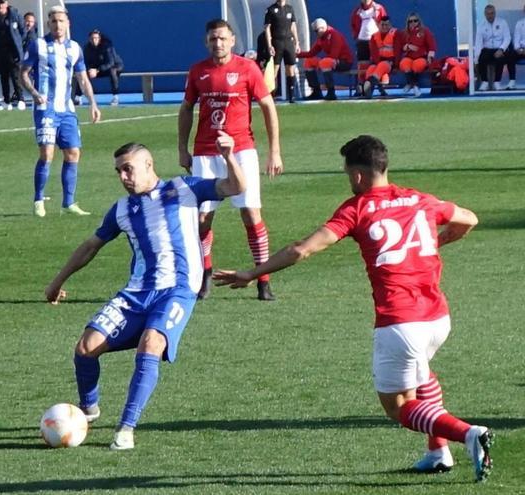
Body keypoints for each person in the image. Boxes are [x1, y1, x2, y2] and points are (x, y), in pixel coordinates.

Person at [214, 135, 494, 482]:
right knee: (423, 377)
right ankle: (438, 453)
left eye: (348, 174)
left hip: (400, 322)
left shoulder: (355, 208)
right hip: (437, 317)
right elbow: (468, 218)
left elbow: (302, 249)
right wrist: (436, 242)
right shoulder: (420, 199)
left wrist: (253, 273)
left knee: (399, 406)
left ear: (358, 176)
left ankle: (469, 433)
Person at [46, 138, 246, 450]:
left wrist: (229, 155)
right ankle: (88, 411)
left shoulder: (186, 188)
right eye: (118, 172)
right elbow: (90, 246)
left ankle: (126, 428)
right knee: (85, 348)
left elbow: (236, 186)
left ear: (148, 165)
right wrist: (57, 281)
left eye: (128, 169)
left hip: (177, 291)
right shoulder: (122, 209)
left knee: (151, 344)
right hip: (135, 294)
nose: (123, 177)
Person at [178, 18, 283, 300]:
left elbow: (267, 107)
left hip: (241, 150)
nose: (218, 43)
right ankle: (205, 276)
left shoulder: (248, 68)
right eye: (213, 39)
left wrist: (274, 151)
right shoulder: (198, 71)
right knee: (202, 218)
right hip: (205, 152)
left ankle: (263, 279)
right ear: (206, 41)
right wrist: (182, 148)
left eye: (223, 38)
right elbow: (186, 109)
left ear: (232, 40)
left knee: (250, 213)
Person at [20, 6, 101, 217]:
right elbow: (24, 74)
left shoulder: (75, 48)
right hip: (46, 109)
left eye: (61, 21)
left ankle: (68, 203)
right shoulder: (38, 45)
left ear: (68, 23)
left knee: (73, 153)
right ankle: (39, 199)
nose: (58, 25)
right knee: (47, 153)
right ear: (48, 24)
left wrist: (93, 103)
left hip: (67, 110)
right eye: (54, 21)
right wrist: (35, 93)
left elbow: (82, 78)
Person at [298, 18, 354, 101]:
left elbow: (334, 55)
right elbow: (311, 53)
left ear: (322, 28)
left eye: (317, 31)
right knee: (309, 61)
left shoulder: (334, 35)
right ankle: (316, 91)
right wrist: (296, 54)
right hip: (331, 61)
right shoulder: (321, 38)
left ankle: (331, 92)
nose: (316, 33)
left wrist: (321, 63)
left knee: (325, 62)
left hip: (345, 62)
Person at [0, 0, 26, 110]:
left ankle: (20, 99)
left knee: (15, 76)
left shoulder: (15, 15)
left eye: (2, 2)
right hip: (0, 50)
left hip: (13, 51)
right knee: (3, 76)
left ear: (6, 3)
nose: (0, 5)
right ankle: (6, 101)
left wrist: (18, 43)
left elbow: (23, 31)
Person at [264, 0, 301, 103]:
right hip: (277, 42)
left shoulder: (290, 9)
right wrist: (270, 45)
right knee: (275, 68)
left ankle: (291, 96)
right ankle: (270, 95)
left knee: (290, 68)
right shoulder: (271, 10)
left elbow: (293, 26)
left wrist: (297, 42)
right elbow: (267, 28)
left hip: (288, 42)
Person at [75, 29, 124, 106]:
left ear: (99, 39)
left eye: (96, 38)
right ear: (89, 39)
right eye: (92, 38)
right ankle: (77, 98)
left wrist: (97, 70)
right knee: (83, 73)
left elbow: (110, 63)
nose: (94, 40)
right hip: (98, 69)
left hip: (115, 66)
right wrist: (90, 70)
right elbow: (85, 63)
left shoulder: (107, 46)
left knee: (112, 71)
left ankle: (115, 97)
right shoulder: (87, 48)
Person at [351, 0, 387, 91]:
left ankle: (381, 87)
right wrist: (356, 35)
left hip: (375, 40)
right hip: (362, 41)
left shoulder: (379, 8)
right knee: (363, 65)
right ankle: (362, 88)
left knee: (378, 63)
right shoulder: (357, 11)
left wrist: (382, 37)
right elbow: (353, 24)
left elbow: (385, 23)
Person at [397, 12, 436, 97]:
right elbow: (401, 47)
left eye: (415, 20)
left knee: (417, 65)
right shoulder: (404, 33)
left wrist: (430, 56)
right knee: (404, 64)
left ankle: (411, 84)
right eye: (410, 21)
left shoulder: (425, 31)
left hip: (421, 56)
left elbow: (431, 45)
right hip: (409, 56)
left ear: (419, 21)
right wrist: (408, 46)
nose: (413, 23)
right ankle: (414, 85)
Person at [475, 4, 511, 91]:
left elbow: (507, 38)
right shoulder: (481, 26)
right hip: (487, 50)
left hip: (500, 48)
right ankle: (485, 82)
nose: (490, 16)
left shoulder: (502, 22)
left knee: (500, 58)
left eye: (492, 13)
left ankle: (497, 82)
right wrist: (476, 58)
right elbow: (478, 43)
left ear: (495, 13)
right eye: (488, 14)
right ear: (485, 14)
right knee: (481, 58)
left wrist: (501, 49)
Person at [362, 16, 396, 98]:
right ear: (378, 25)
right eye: (382, 24)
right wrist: (376, 62)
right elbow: (374, 53)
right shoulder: (374, 36)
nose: (384, 27)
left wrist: (395, 62)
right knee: (371, 68)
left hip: (390, 62)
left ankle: (368, 84)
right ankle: (368, 92)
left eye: (387, 25)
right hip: (378, 61)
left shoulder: (395, 34)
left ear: (390, 25)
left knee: (382, 65)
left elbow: (398, 51)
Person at [505, 4, 525, 89]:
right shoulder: (520, 23)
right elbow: (516, 39)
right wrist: (517, 49)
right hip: (521, 49)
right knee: (510, 55)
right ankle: (512, 81)